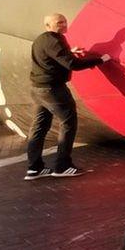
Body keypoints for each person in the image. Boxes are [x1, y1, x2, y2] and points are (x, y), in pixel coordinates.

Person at [25, 13, 110, 180]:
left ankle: (34, 168)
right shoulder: (56, 39)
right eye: (59, 22)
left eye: (64, 21)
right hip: (53, 90)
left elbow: (51, 56)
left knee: (39, 127)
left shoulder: (40, 40)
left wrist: (69, 52)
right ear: (48, 25)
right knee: (68, 123)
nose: (63, 25)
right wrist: (100, 60)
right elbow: (72, 65)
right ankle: (62, 166)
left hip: (37, 89)